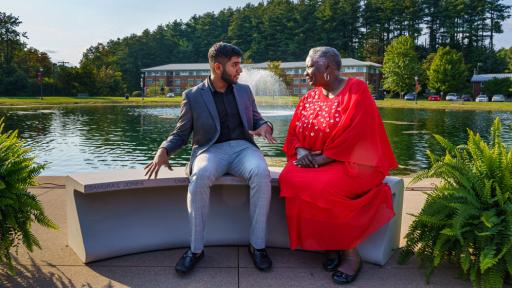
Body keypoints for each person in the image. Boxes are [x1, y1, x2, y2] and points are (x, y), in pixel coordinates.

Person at [144, 42, 276, 275]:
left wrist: (265, 126)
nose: (240, 70)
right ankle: (195, 250)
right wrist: (163, 149)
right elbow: (181, 133)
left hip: (243, 149)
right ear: (217, 67)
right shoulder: (193, 96)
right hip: (210, 150)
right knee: (201, 175)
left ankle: (257, 247)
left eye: (239, 65)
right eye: (235, 65)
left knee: (261, 172)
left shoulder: (244, 91)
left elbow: (256, 119)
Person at [279, 47, 398, 285]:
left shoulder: (356, 89)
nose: (305, 73)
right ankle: (329, 244)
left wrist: (324, 158)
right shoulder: (310, 96)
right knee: (290, 178)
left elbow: (357, 134)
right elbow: (295, 131)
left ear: (329, 68)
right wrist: (301, 151)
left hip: (355, 163)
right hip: (315, 161)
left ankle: (350, 254)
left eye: (309, 67)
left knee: (325, 188)